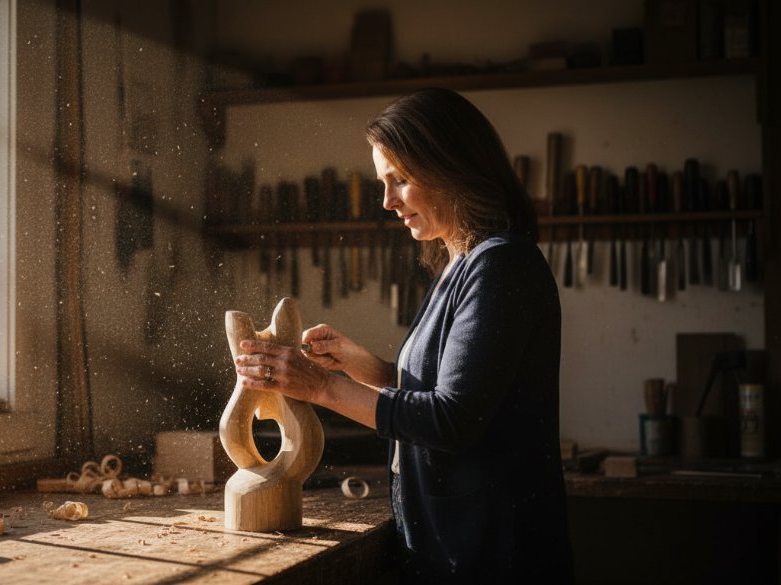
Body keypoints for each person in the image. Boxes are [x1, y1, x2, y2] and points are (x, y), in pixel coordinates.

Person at [233, 88, 573, 584]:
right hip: (454, 545)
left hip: (494, 555)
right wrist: (359, 364)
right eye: (383, 182)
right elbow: (445, 393)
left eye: (400, 180)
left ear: (449, 169)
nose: (387, 201)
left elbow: (451, 419)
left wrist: (321, 388)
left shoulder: (501, 264)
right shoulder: (463, 263)